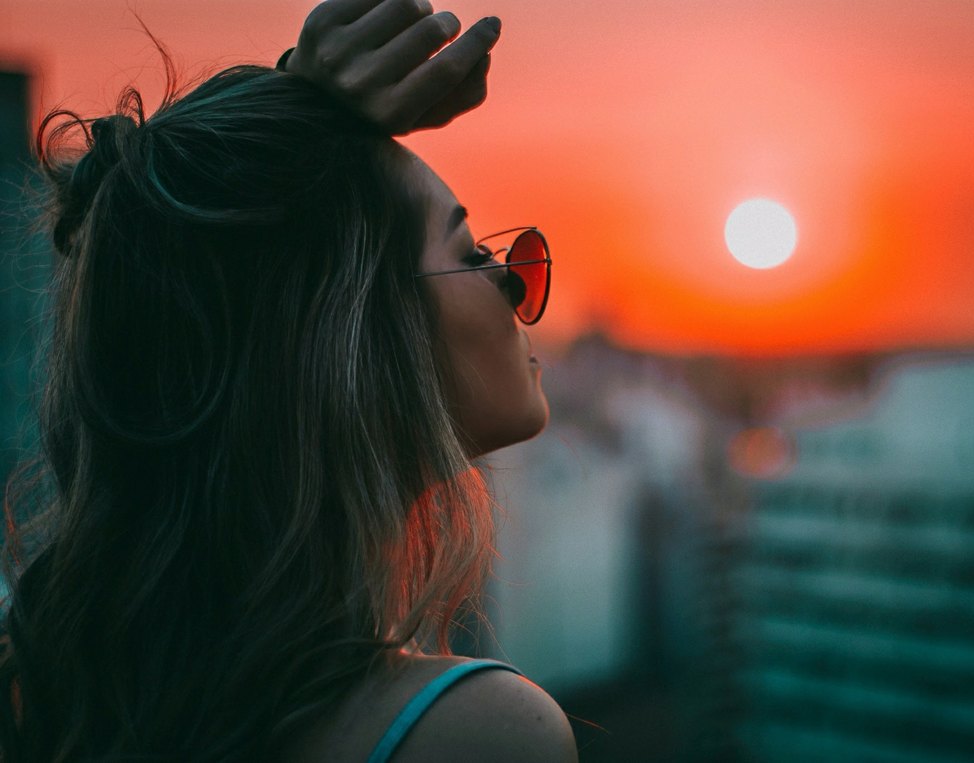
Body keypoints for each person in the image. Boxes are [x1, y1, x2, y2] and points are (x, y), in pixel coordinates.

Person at [0, 1, 577, 760]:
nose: (517, 282)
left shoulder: (47, 687)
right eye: (472, 253)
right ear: (352, 333)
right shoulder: (473, 732)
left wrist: (287, 110)